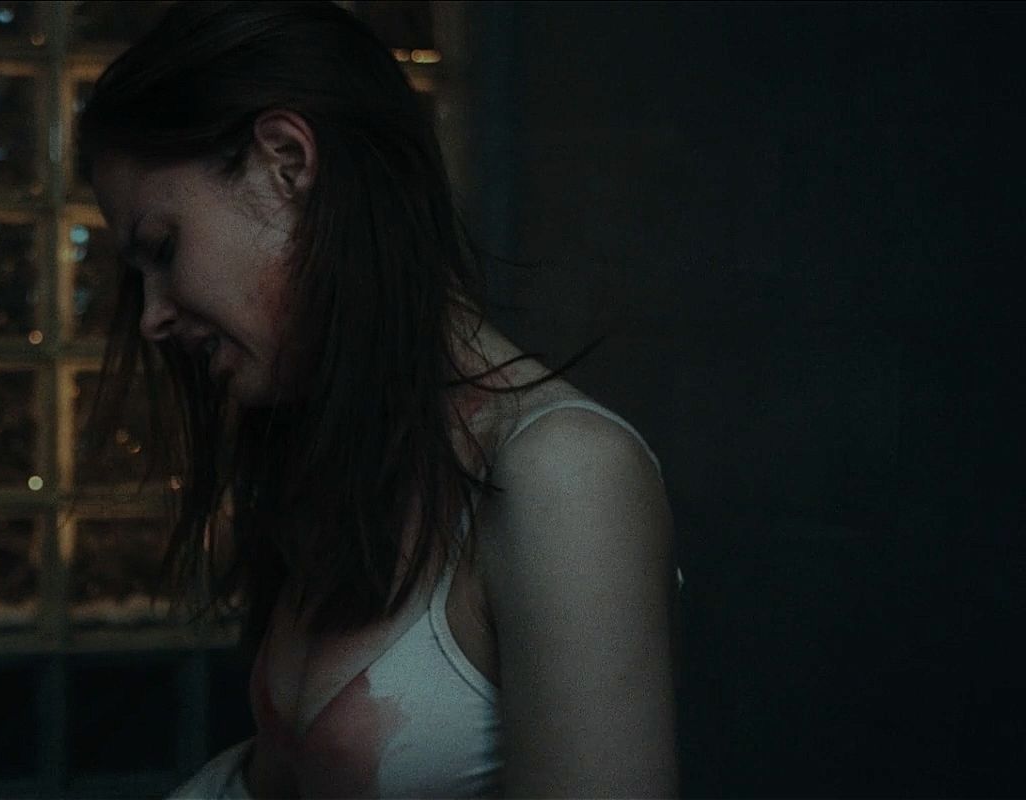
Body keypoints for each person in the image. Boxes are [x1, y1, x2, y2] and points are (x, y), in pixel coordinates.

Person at [74, 2, 681, 797]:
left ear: (286, 164)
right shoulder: (344, 454)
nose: (151, 317)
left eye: (163, 247)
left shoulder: (565, 475)